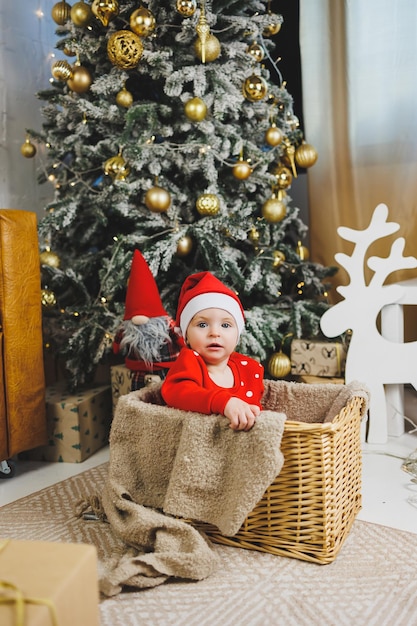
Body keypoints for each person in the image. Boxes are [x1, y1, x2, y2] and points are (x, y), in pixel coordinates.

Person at [161, 271, 264, 431]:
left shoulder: (249, 369)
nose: (214, 333)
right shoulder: (189, 361)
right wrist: (223, 402)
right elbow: (176, 392)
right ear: (186, 335)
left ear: (237, 334)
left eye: (226, 325)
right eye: (202, 325)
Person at [113, 249, 183, 390]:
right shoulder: (127, 328)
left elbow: (179, 338)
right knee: (138, 389)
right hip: (138, 367)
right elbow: (118, 340)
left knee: (168, 387)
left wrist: (184, 345)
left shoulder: (167, 324)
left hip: (167, 366)